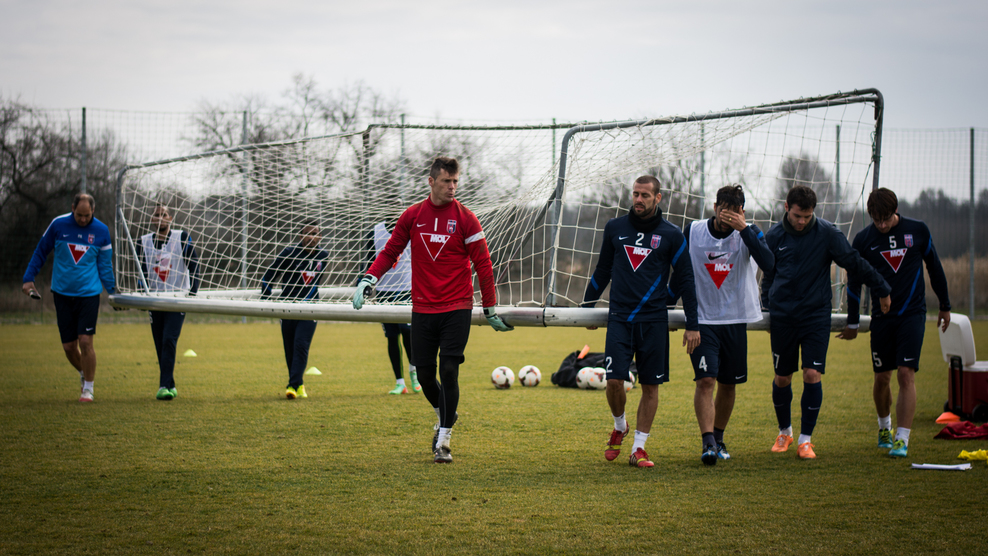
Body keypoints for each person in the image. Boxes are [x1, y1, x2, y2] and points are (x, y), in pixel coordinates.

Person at [352, 157, 513, 464]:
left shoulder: (466, 218)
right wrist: (369, 278)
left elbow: (483, 263)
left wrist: (490, 306)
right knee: (425, 374)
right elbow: (390, 250)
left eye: (455, 181)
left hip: (457, 306)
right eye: (446, 181)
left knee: (449, 369)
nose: (452, 187)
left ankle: (444, 440)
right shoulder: (413, 215)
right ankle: (445, 414)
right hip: (423, 307)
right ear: (431, 182)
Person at [761, 185, 891, 459]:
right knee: (782, 377)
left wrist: (881, 288)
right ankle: (785, 432)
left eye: (807, 217)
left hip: (815, 316)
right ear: (786, 208)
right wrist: (767, 305)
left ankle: (805, 440)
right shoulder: (773, 236)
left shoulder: (828, 234)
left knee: (812, 374)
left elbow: (855, 262)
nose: (802, 221)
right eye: (797, 216)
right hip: (783, 317)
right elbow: (769, 274)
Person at [582, 175, 701, 469]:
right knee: (614, 381)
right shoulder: (615, 227)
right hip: (620, 318)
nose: (638, 199)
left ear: (658, 198)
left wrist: (693, 323)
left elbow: (686, 279)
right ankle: (619, 425)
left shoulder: (672, 234)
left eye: (645, 195)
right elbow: (602, 270)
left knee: (650, 387)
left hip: (654, 321)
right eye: (635, 193)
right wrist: (587, 306)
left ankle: (639, 448)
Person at [837, 188, 951, 458]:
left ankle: (902, 438)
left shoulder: (918, 231)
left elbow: (935, 267)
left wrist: (945, 305)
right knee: (882, 378)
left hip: (912, 314)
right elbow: (853, 282)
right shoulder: (863, 240)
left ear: (895, 211)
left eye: (886, 219)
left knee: (905, 374)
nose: (882, 225)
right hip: (881, 319)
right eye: (876, 220)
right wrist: (852, 322)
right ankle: (884, 427)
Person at [668, 184, 774, 465]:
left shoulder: (750, 233)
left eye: (734, 212)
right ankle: (707, 443)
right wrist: (667, 303)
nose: (727, 217)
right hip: (703, 321)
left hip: (735, 320)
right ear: (715, 208)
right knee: (706, 380)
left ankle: (718, 437)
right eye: (723, 210)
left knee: (728, 384)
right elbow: (681, 273)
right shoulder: (694, 231)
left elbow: (769, 264)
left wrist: (744, 229)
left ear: (742, 212)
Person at [22, 193, 116, 402]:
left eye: (87, 216)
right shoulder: (58, 225)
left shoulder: (101, 231)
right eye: (79, 215)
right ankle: (83, 372)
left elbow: (105, 266)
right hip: (62, 294)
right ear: (72, 208)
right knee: (69, 347)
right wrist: (28, 278)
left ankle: (88, 388)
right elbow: (40, 252)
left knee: (86, 342)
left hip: (89, 295)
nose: (82, 219)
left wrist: (113, 292)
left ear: (93, 211)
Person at [135, 204, 200, 401]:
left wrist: (193, 289)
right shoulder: (143, 242)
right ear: (151, 219)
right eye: (156, 215)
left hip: (177, 299)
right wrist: (141, 293)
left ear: (170, 218)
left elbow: (194, 264)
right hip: (154, 301)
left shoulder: (181, 237)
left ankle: (163, 386)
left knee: (169, 339)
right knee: (159, 343)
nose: (160, 218)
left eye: (164, 214)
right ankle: (170, 384)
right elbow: (141, 273)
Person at [260, 223, 329, 399]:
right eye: (307, 233)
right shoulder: (289, 253)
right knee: (290, 348)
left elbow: (315, 283)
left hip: (310, 308)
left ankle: (292, 385)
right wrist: (265, 295)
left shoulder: (323, 255)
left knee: (301, 344)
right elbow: (269, 276)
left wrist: (308, 300)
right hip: (288, 307)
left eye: (315, 233)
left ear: (320, 237)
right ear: (300, 236)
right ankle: (299, 384)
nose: (311, 237)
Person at [367, 221, 420, 395]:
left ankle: (414, 373)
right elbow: (368, 260)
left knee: (407, 332)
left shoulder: (411, 230)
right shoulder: (375, 232)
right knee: (391, 336)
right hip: (384, 292)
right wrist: (364, 281)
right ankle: (400, 382)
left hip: (406, 290)